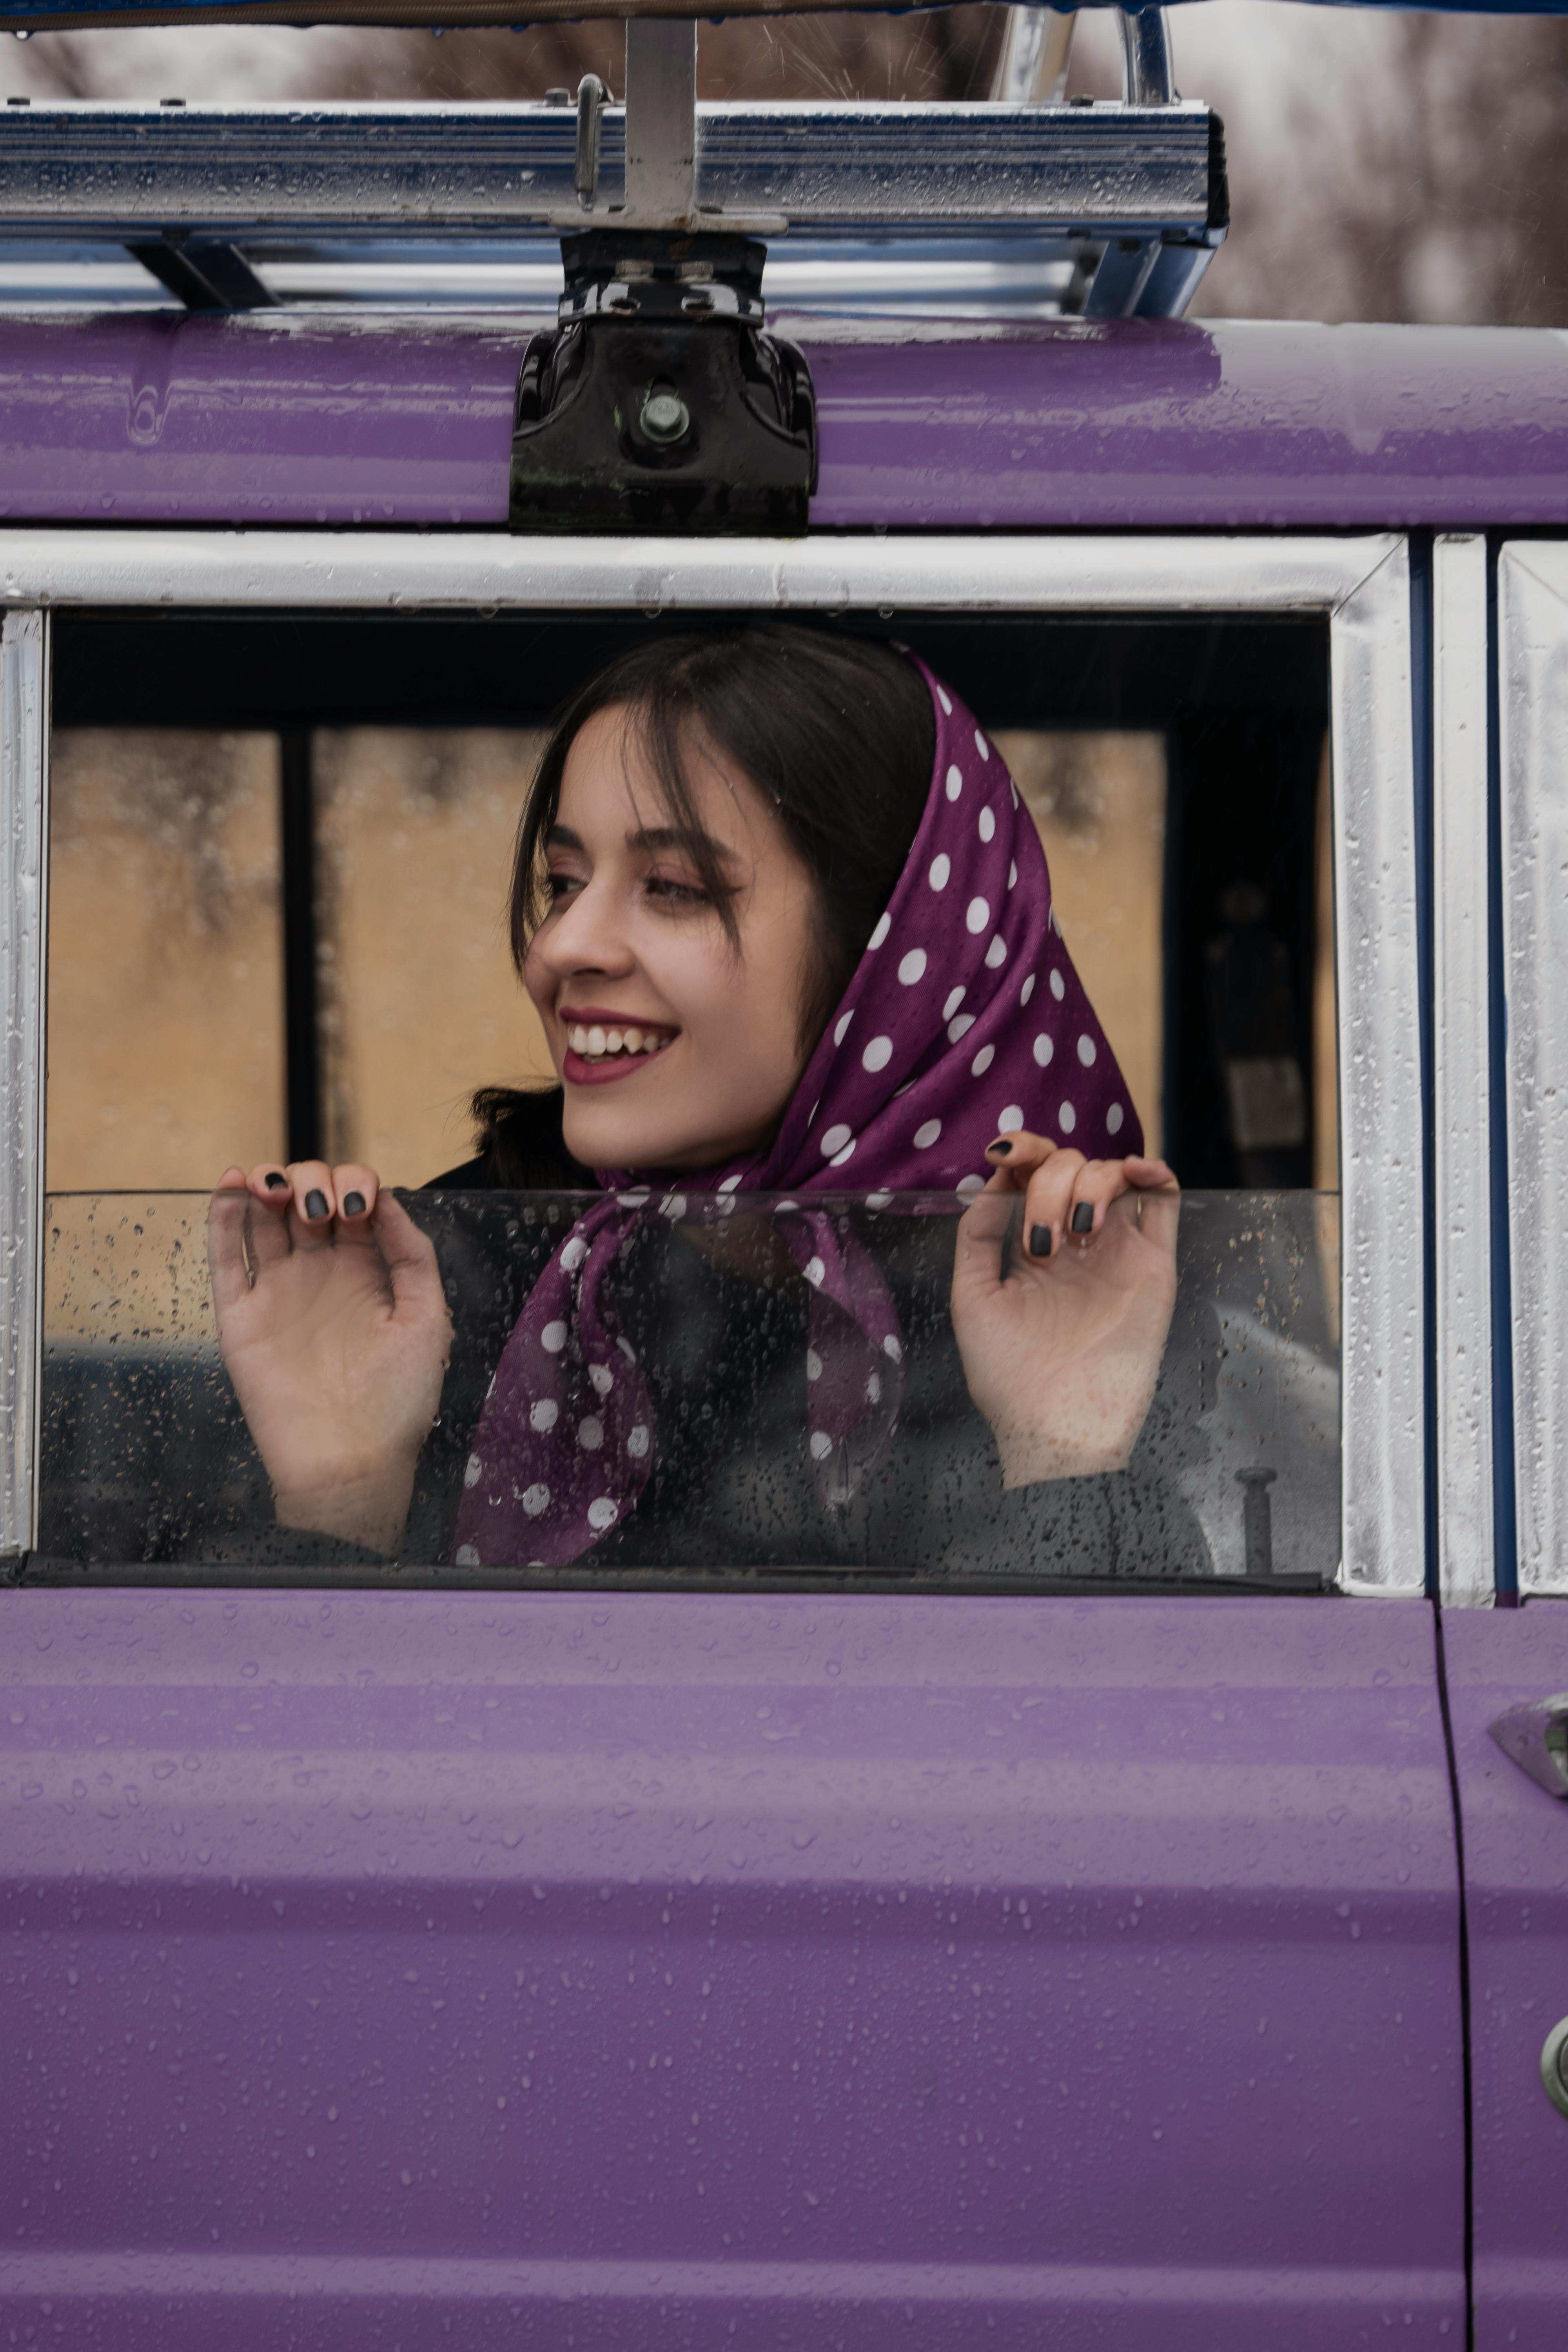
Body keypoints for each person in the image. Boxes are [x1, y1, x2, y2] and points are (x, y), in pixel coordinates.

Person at [207, 626, 1194, 1576]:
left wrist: (1065, 1457)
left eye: (672, 887)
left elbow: (1143, 1733)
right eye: (563, 881)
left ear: (894, 953)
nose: (559, 948)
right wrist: (339, 1492)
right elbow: (270, 1731)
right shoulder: (434, 1288)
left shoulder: (1099, 1294)